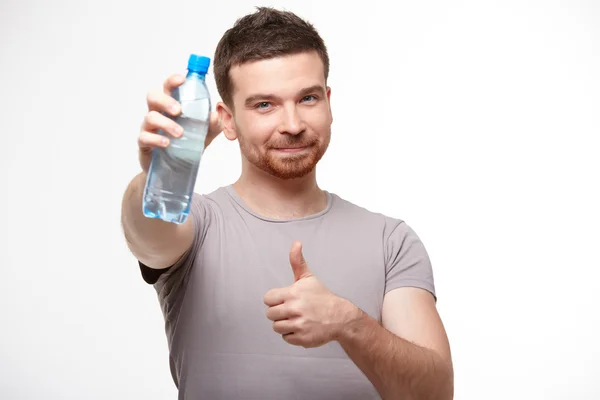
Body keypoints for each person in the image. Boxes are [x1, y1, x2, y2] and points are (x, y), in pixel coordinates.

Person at [121, 6, 453, 400]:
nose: (293, 124)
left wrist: (349, 323)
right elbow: (148, 231)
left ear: (328, 101)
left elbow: (435, 394)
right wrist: (155, 176)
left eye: (308, 98)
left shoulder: (391, 241)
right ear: (226, 119)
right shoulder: (197, 223)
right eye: (265, 104)